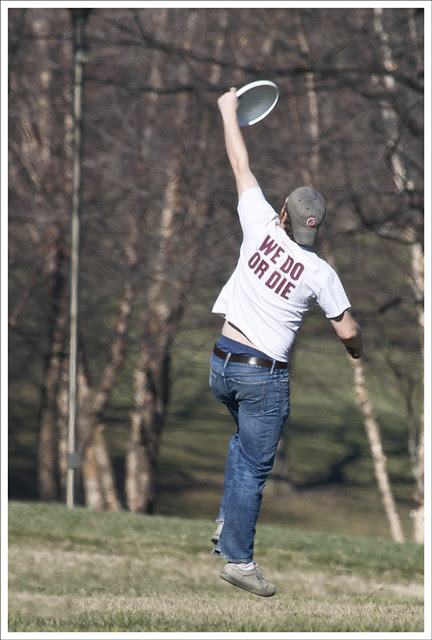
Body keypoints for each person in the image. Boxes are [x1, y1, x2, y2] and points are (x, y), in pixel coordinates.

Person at [209, 87, 362, 598]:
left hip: (221, 364)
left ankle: (226, 525)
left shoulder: (258, 224)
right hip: (262, 375)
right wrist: (356, 350)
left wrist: (227, 111)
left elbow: (240, 162)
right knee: (255, 465)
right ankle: (239, 560)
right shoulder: (320, 272)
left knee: (242, 445)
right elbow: (347, 329)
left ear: (283, 213)